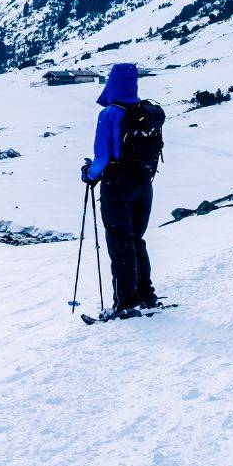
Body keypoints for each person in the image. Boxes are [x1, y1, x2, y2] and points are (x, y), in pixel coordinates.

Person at [81, 61, 163, 314]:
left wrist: (89, 175)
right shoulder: (146, 111)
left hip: (117, 184)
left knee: (120, 243)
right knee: (136, 239)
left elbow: (102, 158)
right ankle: (146, 295)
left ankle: (125, 303)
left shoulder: (109, 114)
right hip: (144, 184)